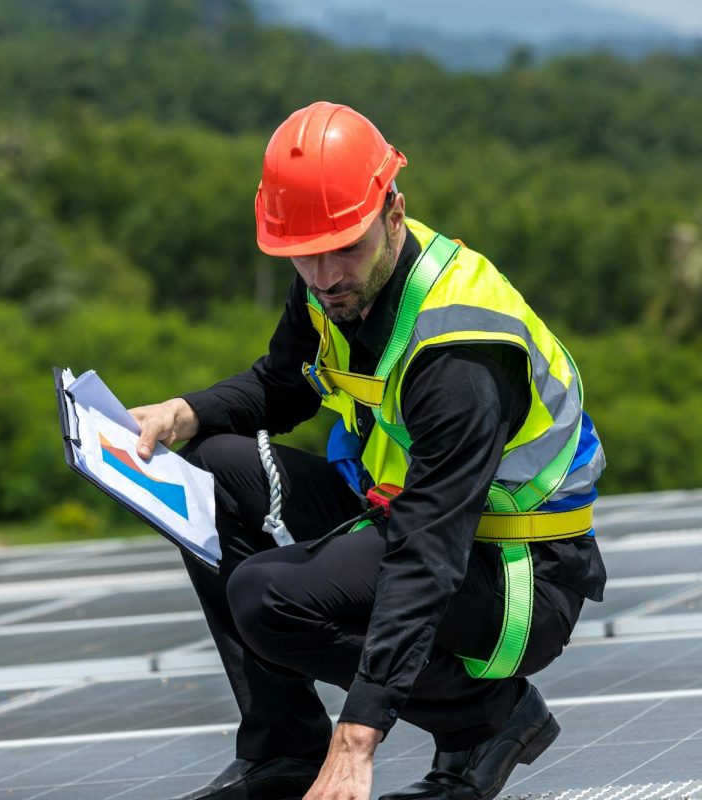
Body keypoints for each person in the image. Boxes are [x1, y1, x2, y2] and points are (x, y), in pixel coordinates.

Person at [130, 101, 606, 800]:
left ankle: (493, 717)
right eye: (303, 255)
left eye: (341, 249)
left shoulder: (460, 355)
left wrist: (358, 740)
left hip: (515, 572)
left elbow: (427, 554)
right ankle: (282, 751)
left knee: (267, 600)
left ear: (393, 215)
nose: (323, 277)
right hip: (409, 519)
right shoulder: (333, 285)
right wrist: (185, 412)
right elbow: (281, 385)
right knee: (210, 470)